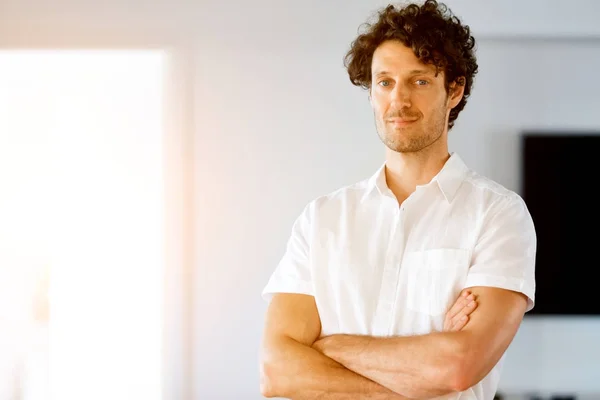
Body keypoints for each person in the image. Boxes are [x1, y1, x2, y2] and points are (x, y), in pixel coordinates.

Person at [259, 1, 536, 399]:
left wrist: (329, 347)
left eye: (419, 81)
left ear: (454, 90)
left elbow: (458, 366)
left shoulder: (497, 215)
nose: (398, 100)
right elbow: (277, 372)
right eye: (385, 82)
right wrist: (416, 373)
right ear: (371, 92)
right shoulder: (322, 219)